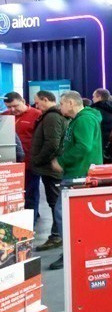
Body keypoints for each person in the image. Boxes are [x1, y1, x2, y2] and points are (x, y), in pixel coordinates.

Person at [49, 91, 103, 270]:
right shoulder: (80, 119)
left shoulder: (84, 120)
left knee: (63, 213)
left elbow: (83, 146)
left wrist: (62, 161)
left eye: (62, 103)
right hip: (79, 172)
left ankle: (71, 252)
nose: (60, 107)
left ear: (71, 103)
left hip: (79, 173)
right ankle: (75, 250)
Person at [30, 91, 68, 251]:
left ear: (45, 99)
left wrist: (37, 159)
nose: (36, 105)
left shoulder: (52, 117)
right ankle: (57, 235)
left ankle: (58, 237)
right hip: (51, 167)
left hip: (51, 169)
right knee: (56, 204)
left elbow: (52, 143)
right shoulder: (54, 115)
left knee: (56, 204)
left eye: (38, 102)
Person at [2, 92, 41, 223]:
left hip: (30, 162)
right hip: (10, 165)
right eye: (9, 107)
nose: (12, 109)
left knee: (31, 193)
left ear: (23, 101)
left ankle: (31, 223)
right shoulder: (4, 116)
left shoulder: (37, 115)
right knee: (14, 196)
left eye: (15, 106)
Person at [90, 88, 112, 162]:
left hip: (99, 148)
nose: (92, 99)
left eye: (94, 96)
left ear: (99, 97)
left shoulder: (94, 112)